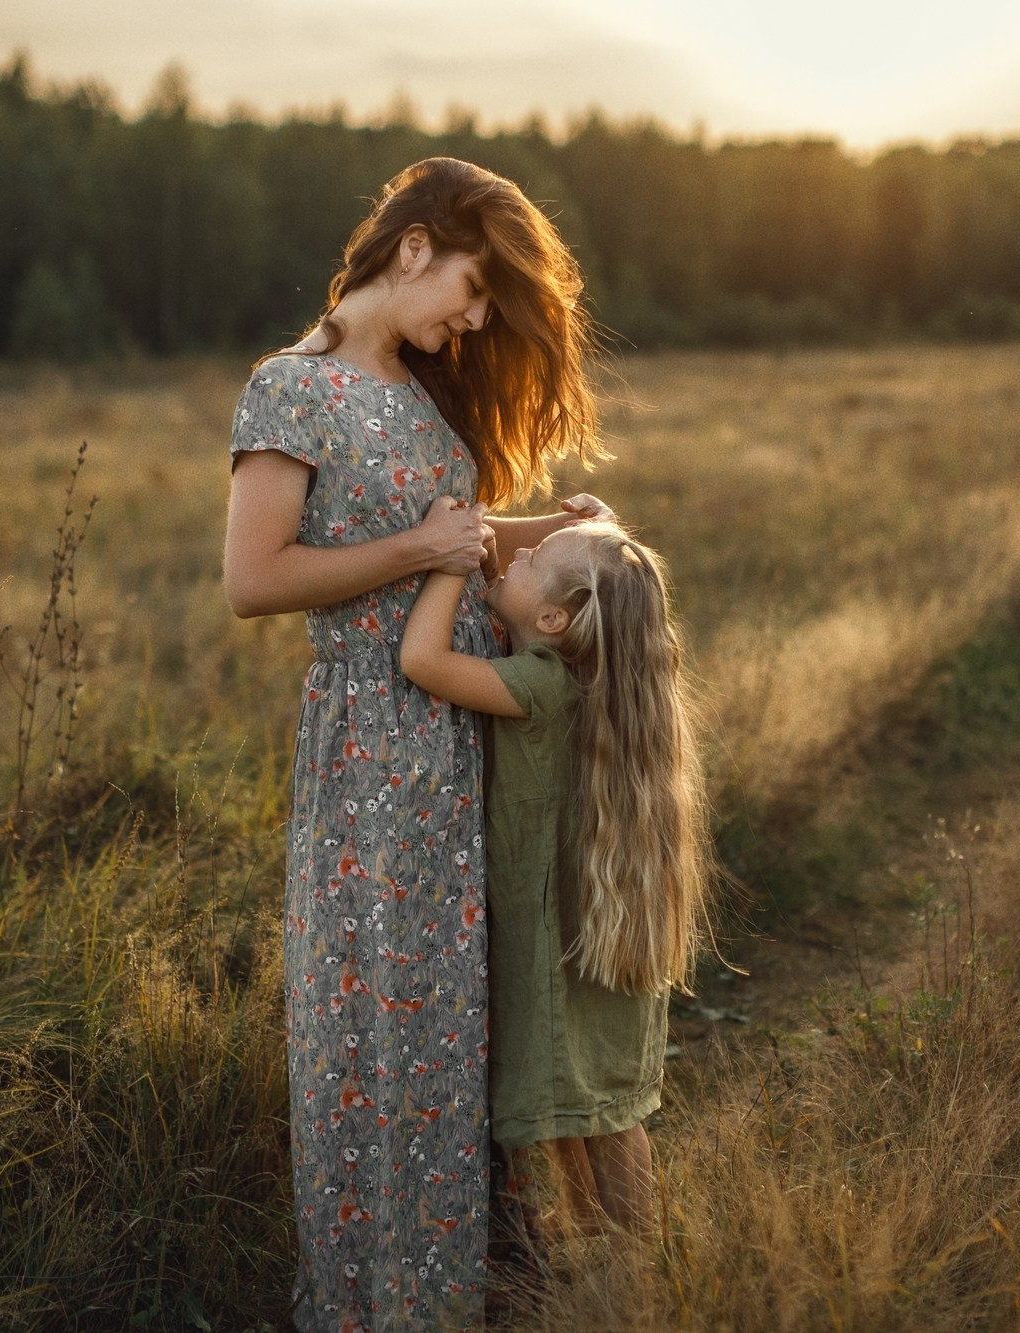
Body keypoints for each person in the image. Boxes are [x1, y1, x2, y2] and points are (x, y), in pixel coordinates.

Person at [222, 157, 609, 1332]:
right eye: (473, 289)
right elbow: (253, 580)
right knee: (376, 1026)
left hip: (462, 739)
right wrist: (419, 553)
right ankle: (377, 1302)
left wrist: (561, 531)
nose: (475, 321)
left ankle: (464, 1289)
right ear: (411, 248)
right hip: (370, 753)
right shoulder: (291, 387)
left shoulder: (422, 389)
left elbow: (460, 539)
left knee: (459, 1028)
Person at [400, 517, 711, 1243]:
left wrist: (448, 562)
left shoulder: (541, 683)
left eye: (534, 558)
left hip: (559, 939)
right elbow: (562, 588)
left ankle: (635, 1259)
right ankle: (591, 1225)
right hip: (586, 927)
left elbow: (421, 658)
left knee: (598, 1109)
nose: (518, 554)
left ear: (553, 620)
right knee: (582, 1096)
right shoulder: (590, 678)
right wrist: (564, 541)